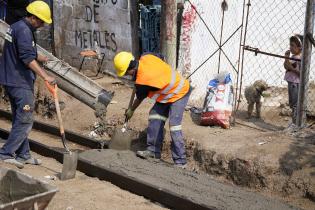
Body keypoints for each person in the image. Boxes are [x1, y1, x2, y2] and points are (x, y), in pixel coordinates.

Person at [0, 0, 55, 168]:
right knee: (25, 120)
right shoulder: (24, 30)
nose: (43, 25)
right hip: (19, 80)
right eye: (42, 21)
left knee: (20, 117)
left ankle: (23, 154)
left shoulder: (17, 26)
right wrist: (46, 76)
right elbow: (26, 58)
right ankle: (6, 153)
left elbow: (23, 50)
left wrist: (40, 57)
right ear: (34, 18)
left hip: (10, 78)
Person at [113, 52, 191, 168]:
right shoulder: (146, 56)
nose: (127, 76)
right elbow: (161, 56)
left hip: (180, 91)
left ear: (131, 70)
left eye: (126, 73)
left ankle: (181, 161)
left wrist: (131, 110)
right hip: (166, 92)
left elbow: (140, 97)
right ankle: (153, 152)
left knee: (174, 126)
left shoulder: (144, 81)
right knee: (155, 116)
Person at [284, 34, 303, 127]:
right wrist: (287, 58)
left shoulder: (297, 58)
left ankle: (295, 124)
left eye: (292, 45)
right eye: (290, 45)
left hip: (294, 83)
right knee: (294, 103)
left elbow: (288, 66)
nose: (290, 47)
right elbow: (286, 66)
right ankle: (295, 122)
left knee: (294, 104)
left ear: (300, 47)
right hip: (292, 82)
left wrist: (287, 59)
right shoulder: (295, 56)